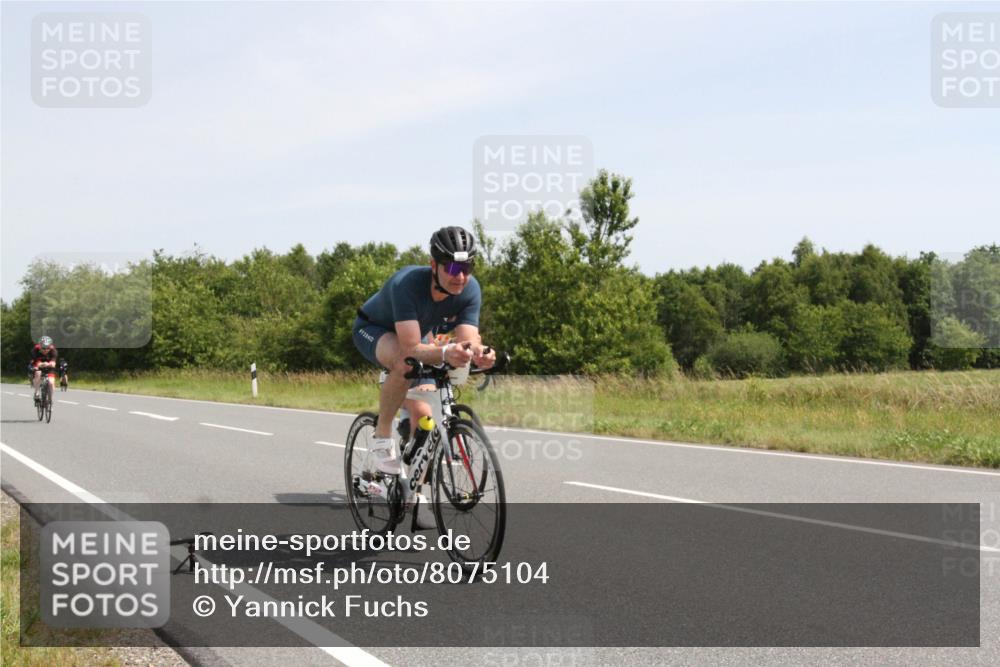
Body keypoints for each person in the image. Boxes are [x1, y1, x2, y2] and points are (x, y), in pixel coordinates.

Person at [352, 226, 496, 476]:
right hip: (374, 329)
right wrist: (444, 352)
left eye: (466, 268)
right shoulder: (407, 284)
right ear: (433, 265)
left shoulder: (470, 289)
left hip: (418, 335)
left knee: (429, 392)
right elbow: (409, 348)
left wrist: (481, 352)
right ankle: (382, 437)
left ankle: (413, 434)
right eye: (452, 268)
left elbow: (467, 339)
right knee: (405, 362)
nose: (460, 277)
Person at [30, 336, 58, 404]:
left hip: (49, 365)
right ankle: (37, 393)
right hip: (38, 364)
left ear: (50, 346)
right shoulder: (35, 350)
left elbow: (53, 362)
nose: (46, 350)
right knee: (38, 373)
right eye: (43, 348)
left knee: (51, 383)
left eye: (48, 348)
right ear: (39, 346)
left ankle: (50, 399)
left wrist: (50, 364)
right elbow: (36, 362)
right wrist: (41, 364)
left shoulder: (53, 350)